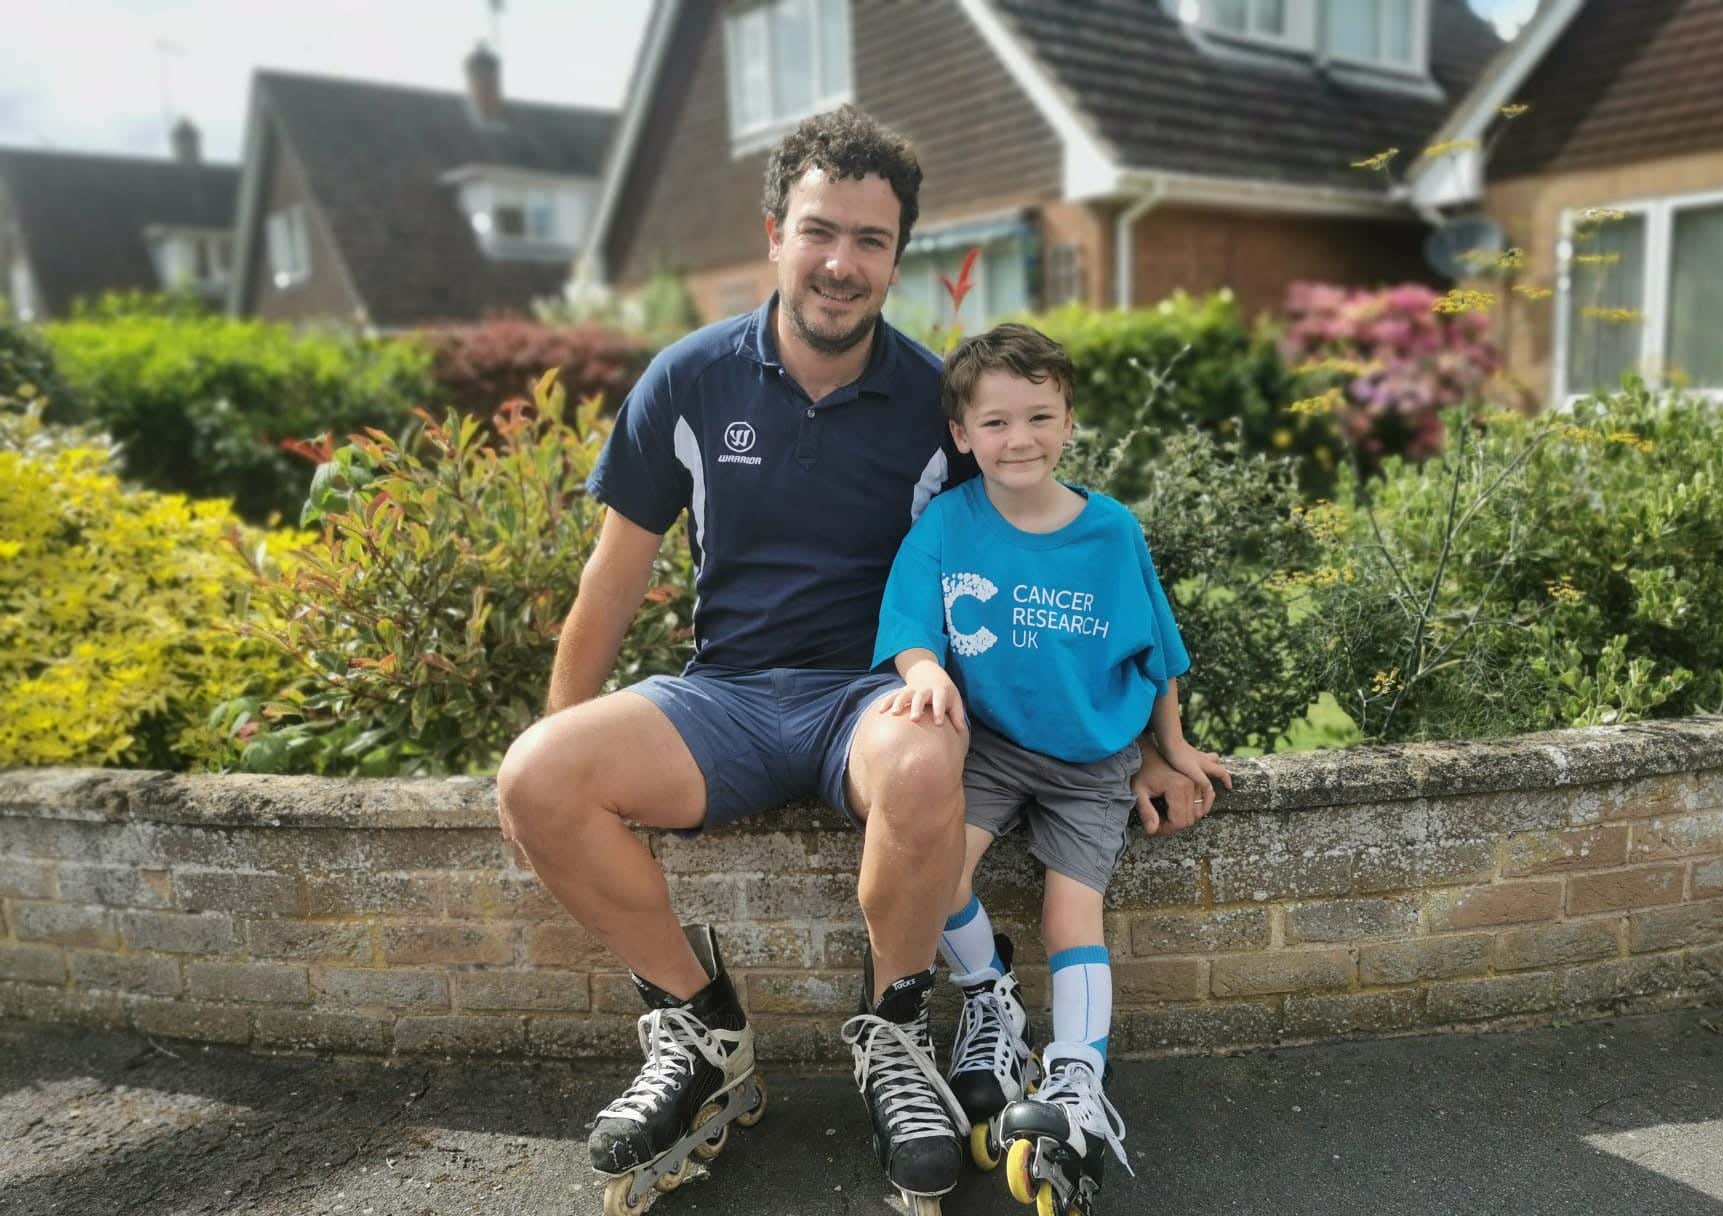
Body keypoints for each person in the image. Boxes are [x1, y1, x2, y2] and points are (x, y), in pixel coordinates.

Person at [495, 105, 1226, 1216]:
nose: (842, 263)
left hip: (874, 696)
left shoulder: (940, 406)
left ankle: (895, 1034)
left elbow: (1061, 566)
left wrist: (1134, 737)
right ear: (775, 233)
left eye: (871, 241)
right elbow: (614, 580)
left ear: (900, 257)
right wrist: (558, 725)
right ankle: (703, 1030)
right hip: (724, 697)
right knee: (537, 777)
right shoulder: (688, 380)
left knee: (931, 760)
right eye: (820, 231)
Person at [871, 323, 1231, 1214]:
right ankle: (990, 995)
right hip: (990, 744)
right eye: (994, 423)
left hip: (1088, 763)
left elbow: (1159, 656)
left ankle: (1076, 1083)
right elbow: (912, 625)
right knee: (939, 871)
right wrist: (923, 676)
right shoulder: (949, 524)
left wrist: (1170, 750)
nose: (1018, 438)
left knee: (1074, 913)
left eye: (1039, 416)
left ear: (1069, 421)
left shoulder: (1110, 533)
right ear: (961, 435)